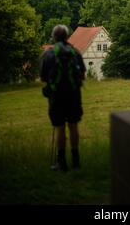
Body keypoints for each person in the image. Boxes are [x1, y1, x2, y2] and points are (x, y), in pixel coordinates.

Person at [40, 25, 86, 171]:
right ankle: (76, 161)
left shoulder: (49, 54)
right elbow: (82, 75)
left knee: (60, 127)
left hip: (56, 96)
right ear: (67, 36)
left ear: (53, 37)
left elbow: (43, 78)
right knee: (73, 126)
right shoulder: (75, 52)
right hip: (73, 95)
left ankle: (62, 163)